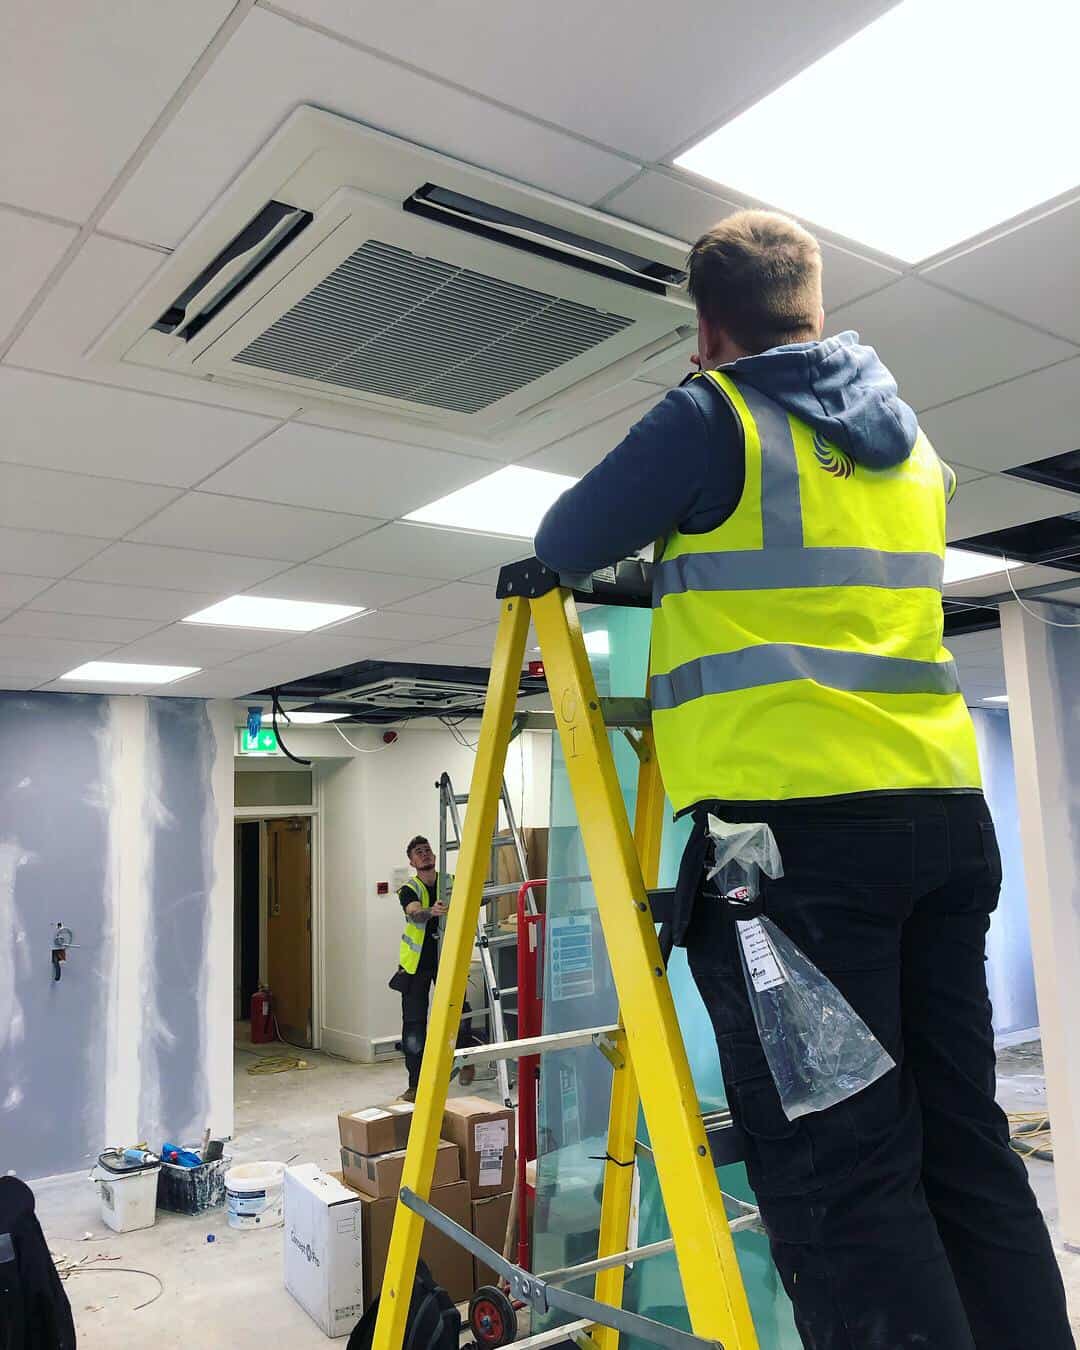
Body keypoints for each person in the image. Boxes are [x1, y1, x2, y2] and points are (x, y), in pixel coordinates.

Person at [535, 209, 1073, 1349]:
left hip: (796, 859)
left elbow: (566, 534)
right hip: (941, 826)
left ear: (708, 323)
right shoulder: (911, 447)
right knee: (962, 1146)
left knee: (845, 1175)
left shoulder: (712, 413)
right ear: (815, 310)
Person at [395, 834, 474, 1102]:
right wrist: (432, 911)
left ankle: (466, 1062)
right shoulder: (409, 888)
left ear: (435, 855)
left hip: (447, 960)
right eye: (418, 852)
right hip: (417, 967)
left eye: (427, 850)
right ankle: (415, 1084)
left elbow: (470, 900)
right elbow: (415, 913)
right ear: (412, 861)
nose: (425, 854)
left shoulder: (450, 882)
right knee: (415, 1025)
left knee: (460, 1014)